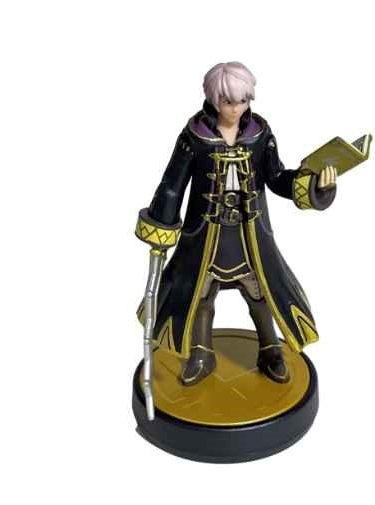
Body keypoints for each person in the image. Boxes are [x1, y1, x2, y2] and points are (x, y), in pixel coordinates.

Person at [136, 61, 337, 386]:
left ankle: (270, 348)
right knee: (200, 294)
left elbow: (276, 177)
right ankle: (201, 353)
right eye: (229, 101)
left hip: (250, 236)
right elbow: (173, 183)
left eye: (243, 101)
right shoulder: (194, 137)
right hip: (205, 237)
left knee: (260, 291)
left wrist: (314, 185)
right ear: (215, 100)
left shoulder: (259, 133)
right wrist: (161, 226)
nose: (236, 108)